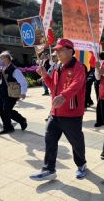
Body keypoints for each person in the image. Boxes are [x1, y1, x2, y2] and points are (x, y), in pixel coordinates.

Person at [30, 39, 87, 181]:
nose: (57, 52)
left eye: (60, 50)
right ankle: (49, 169)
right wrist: (44, 75)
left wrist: (64, 95)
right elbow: (53, 86)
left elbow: (77, 84)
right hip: (55, 112)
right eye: (56, 50)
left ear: (70, 50)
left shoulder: (79, 67)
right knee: (49, 139)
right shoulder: (57, 67)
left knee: (76, 142)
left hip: (72, 113)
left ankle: (81, 164)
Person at [0, 51, 28, 134]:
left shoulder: (14, 70)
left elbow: (23, 81)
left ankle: (22, 120)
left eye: (1, 58)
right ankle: (7, 127)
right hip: (2, 93)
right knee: (2, 111)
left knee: (7, 110)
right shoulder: (2, 69)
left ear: (7, 58)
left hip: (11, 94)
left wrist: (23, 92)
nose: (0, 60)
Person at [94, 51, 104, 127]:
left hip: (100, 83)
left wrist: (97, 68)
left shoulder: (99, 63)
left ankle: (100, 121)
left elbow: (97, 76)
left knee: (100, 102)